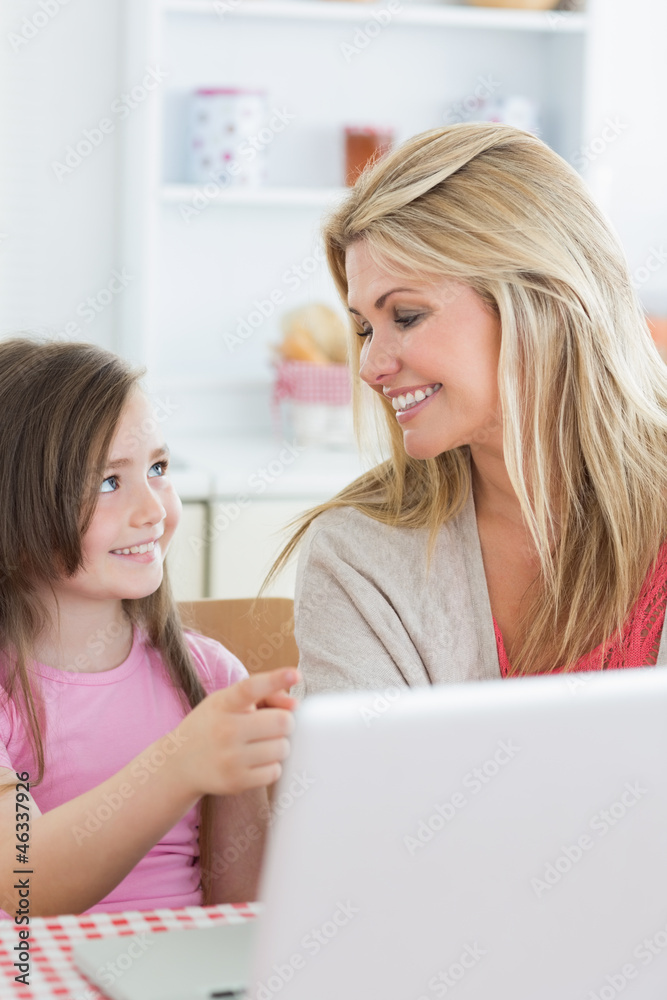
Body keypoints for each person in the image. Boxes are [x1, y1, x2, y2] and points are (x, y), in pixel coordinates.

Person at [266, 122, 667, 694]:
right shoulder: (359, 553)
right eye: (364, 329)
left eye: (406, 316)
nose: (369, 367)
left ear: (541, 300)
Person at [0, 338, 299, 918]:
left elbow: (240, 912)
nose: (154, 510)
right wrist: (181, 762)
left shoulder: (212, 678)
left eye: (158, 469)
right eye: (108, 482)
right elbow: (24, 886)